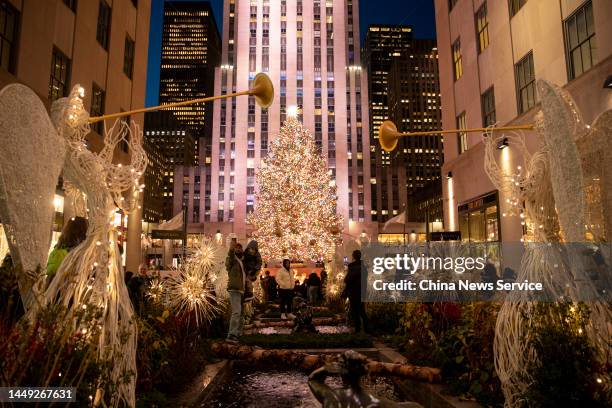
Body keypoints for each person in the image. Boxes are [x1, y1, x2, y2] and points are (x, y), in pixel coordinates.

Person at [308, 350, 419, 407]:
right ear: (363, 372)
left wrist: (328, 367)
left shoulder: (330, 397)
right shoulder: (378, 402)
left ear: (340, 371)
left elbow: (313, 379)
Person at [342, 250, 369, 333]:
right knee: (362, 311)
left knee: (355, 311)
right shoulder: (364, 266)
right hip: (361, 291)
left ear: (353, 256)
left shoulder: (352, 266)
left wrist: (345, 291)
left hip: (353, 292)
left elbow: (347, 280)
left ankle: (358, 330)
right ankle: (367, 329)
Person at [225, 242, 246, 343]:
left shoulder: (242, 261)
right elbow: (230, 257)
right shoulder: (232, 260)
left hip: (241, 289)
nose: (239, 250)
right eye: (237, 248)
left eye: (240, 248)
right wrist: (231, 249)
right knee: (236, 312)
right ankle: (231, 335)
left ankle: (237, 333)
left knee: (241, 312)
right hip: (234, 289)